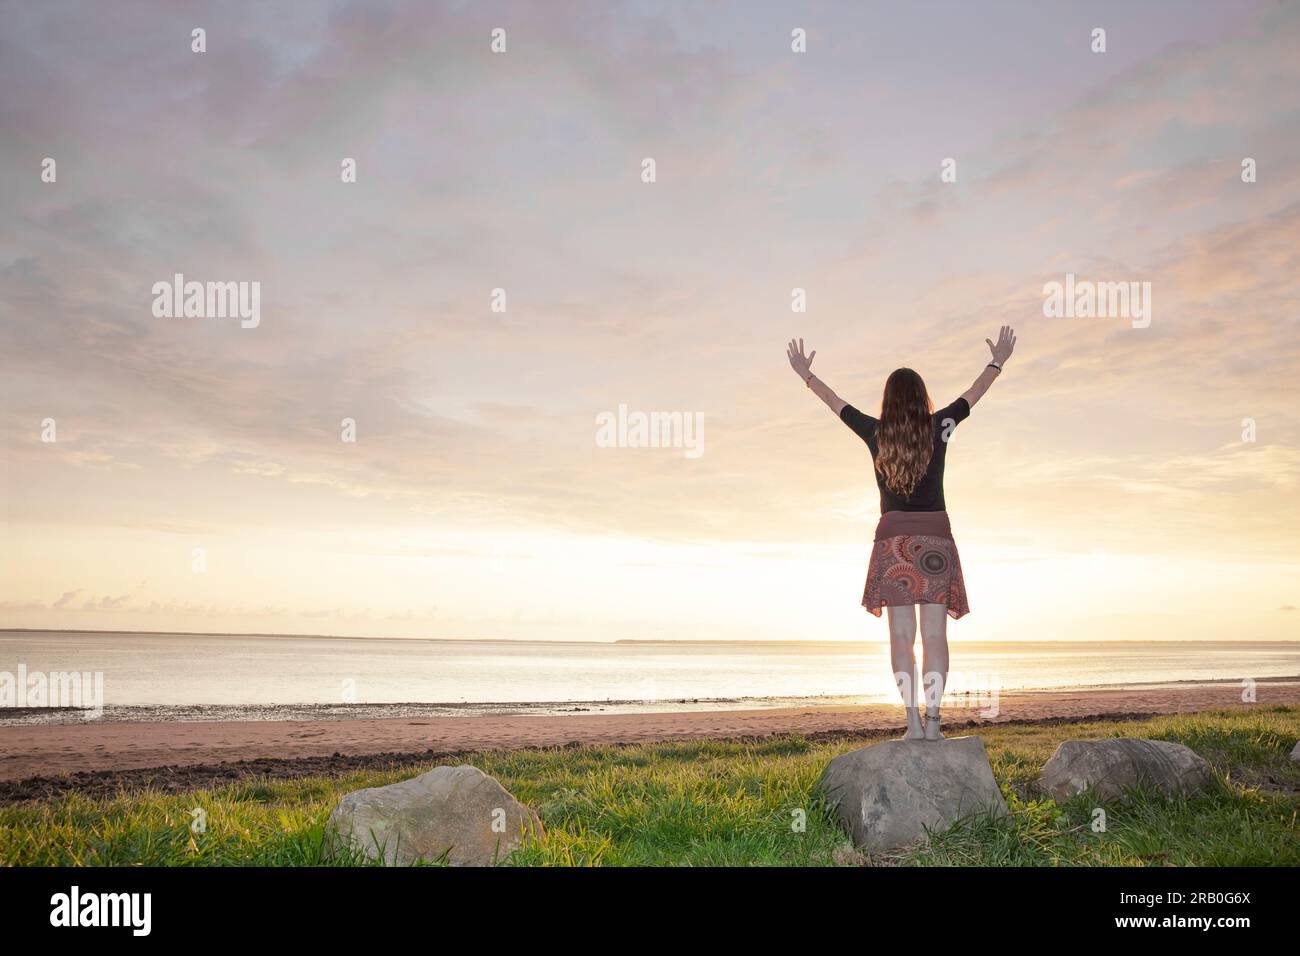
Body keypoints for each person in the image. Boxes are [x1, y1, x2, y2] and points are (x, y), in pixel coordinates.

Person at [786, 327, 1016, 741]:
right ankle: (933, 723)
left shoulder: (876, 433)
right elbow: (974, 394)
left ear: (889, 401)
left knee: (901, 636)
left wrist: (806, 374)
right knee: (934, 636)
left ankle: (911, 722)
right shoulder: (940, 425)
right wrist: (997, 361)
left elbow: (836, 405)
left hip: (893, 543)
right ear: (922, 397)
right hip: (936, 542)